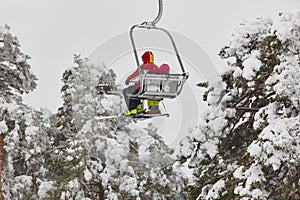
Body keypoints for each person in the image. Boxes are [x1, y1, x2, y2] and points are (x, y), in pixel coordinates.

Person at [123, 51, 161, 115]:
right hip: (153, 88)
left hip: (142, 87)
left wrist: (128, 79)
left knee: (127, 91)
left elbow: (135, 74)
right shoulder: (156, 67)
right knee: (134, 92)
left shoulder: (144, 66)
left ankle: (133, 109)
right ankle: (140, 107)